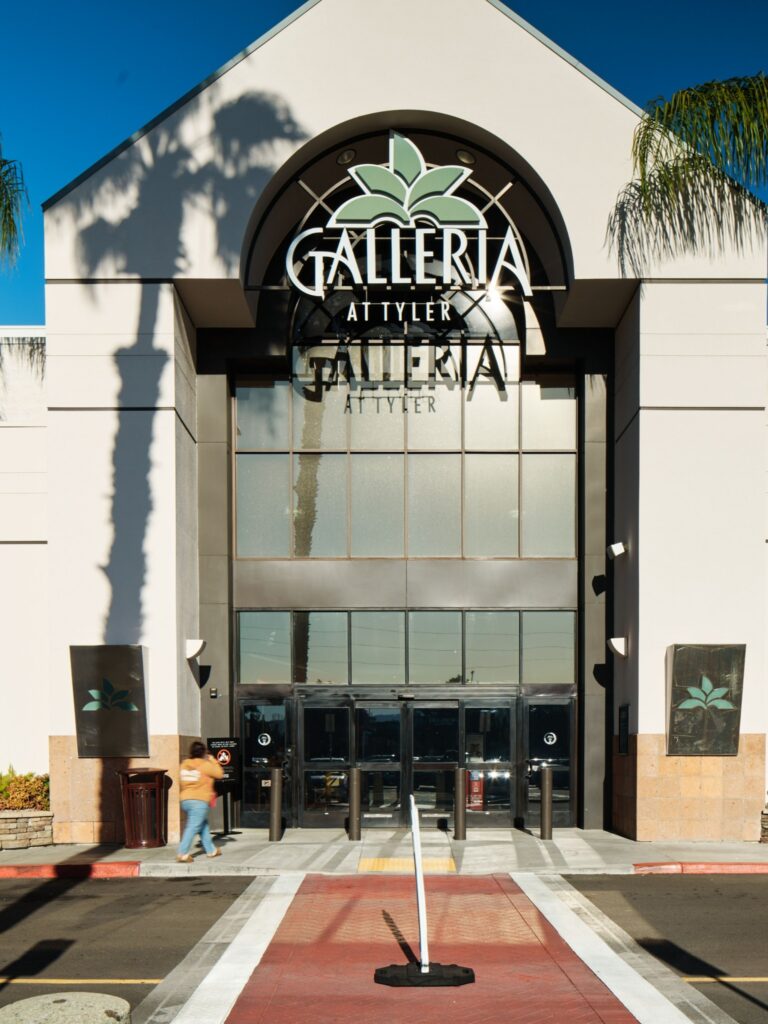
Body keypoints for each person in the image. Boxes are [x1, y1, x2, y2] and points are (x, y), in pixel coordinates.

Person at [177, 741, 224, 862]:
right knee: (193, 826)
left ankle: (211, 850)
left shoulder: (184, 765)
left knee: (203, 825)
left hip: (185, 800)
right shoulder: (205, 765)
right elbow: (219, 774)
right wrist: (212, 760)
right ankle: (182, 853)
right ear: (203, 752)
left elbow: (181, 780)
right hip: (199, 800)